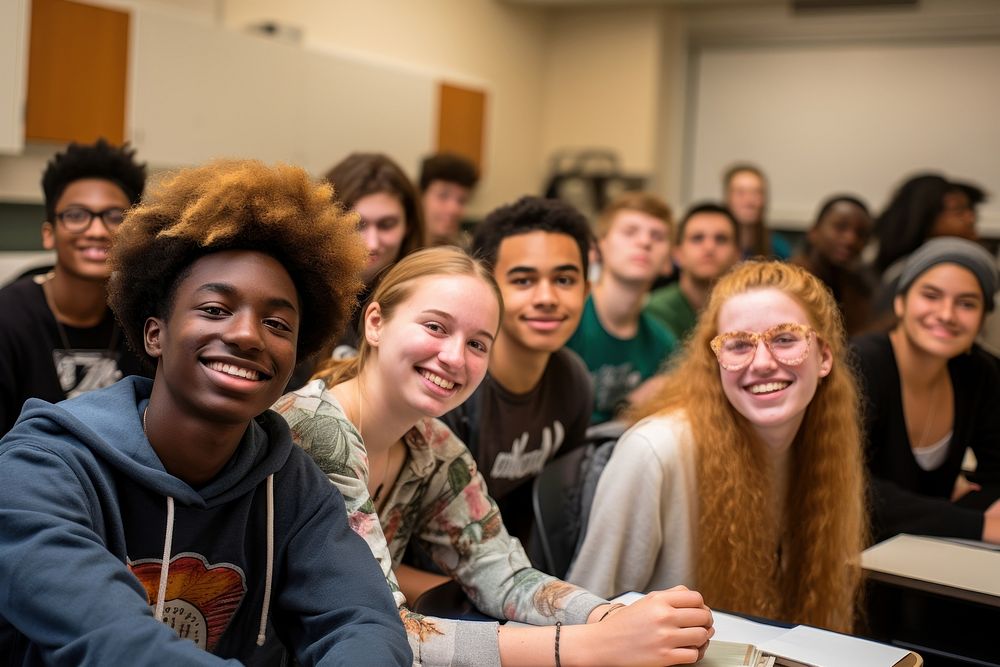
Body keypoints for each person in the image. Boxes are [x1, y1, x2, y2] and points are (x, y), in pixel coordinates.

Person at [0, 160, 411, 665]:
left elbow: (365, 622)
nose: (246, 335)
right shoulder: (42, 465)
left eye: (277, 323)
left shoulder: (293, 483)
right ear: (155, 334)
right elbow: (113, 643)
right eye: (215, 309)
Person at [276, 247, 714, 667]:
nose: (454, 357)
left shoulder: (432, 444)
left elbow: (504, 574)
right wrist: (585, 645)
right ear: (375, 323)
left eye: (478, 344)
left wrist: (611, 618)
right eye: (435, 327)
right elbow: (384, 632)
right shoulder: (315, 428)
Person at [569, 260, 866, 634]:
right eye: (739, 345)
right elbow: (585, 618)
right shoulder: (655, 452)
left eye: (785, 339)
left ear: (823, 356)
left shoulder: (826, 447)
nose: (761, 363)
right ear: (716, 362)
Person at [438, 195, 593, 549]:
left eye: (565, 280)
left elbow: (555, 512)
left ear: (587, 290)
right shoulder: (452, 380)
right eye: (523, 281)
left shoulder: (573, 381)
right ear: (488, 289)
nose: (547, 297)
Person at [852, 238, 1000, 544]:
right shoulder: (862, 363)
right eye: (931, 296)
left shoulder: (979, 372)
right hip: (852, 556)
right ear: (900, 302)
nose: (947, 314)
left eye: (967, 304)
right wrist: (975, 524)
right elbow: (849, 489)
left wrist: (952, 514)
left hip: (927, 553)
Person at [0, 139, 150, 435]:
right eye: (76, 215)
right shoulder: (8, 318)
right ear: (48, 234)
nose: (96, 231)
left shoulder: (146, 317)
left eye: (115, 217)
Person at [566, 192, 677, 424]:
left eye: (657, 236)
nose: (645, 242)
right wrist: (627, 409)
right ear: (596, 250)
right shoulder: (565, 318)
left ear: (668, 261)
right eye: (630, 232)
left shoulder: (663, 343)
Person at [646, 203, 740, 343]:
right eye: (697, 238)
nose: (709, 247)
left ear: (737, 255)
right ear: (677, 253)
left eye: (721, 239)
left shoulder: (747, 311)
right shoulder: (655, 312)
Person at [791, 195, 875, 336]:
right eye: (840, 227)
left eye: (860, 234)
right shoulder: (790, 281)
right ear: (814, 232)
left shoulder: (858, 288)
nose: (851, 239)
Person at [722, 163, 791, 260]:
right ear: (727, 198)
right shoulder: (715, 243)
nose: (749, 201)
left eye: (756, 193)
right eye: (740, 193)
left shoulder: (778, 247)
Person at [418, 152, 479, 248]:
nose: (453, 209)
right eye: (443, 196)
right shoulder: (395, 249)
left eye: (462, 200)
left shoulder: (470, 252)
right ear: (421, 196)